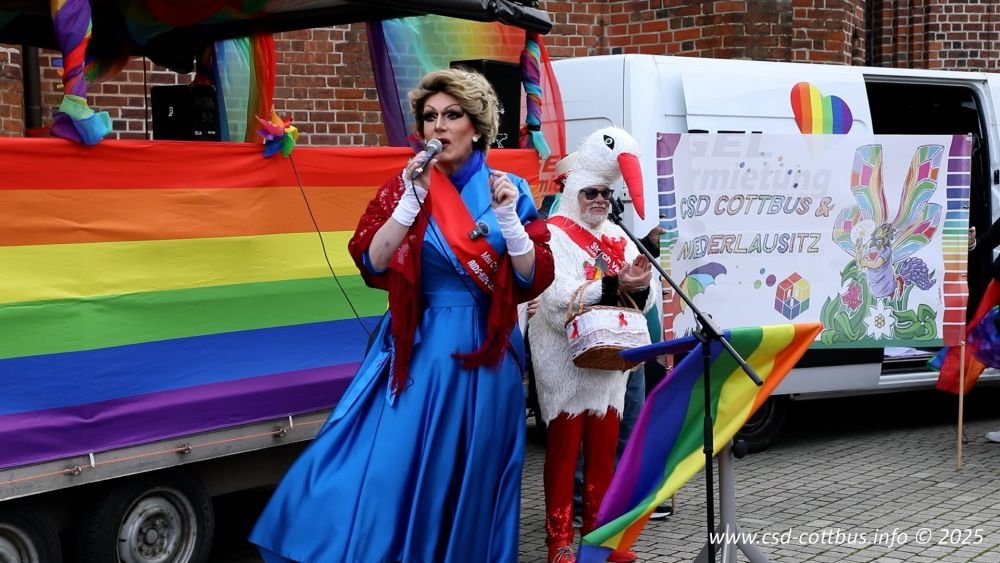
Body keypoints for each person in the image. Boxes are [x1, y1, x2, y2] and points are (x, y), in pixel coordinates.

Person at [249, 68, 555, 562]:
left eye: (452, 115)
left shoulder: (509, 189)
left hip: (488, 353)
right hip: (420, 347)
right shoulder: (406, 185)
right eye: (430, 117)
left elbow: (533, 277)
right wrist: (409, 203)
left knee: (474, 475)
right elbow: (372, 262)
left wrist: (509, 223)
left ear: (476, 126)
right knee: (382, 466)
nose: (439, 126)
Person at [528, 126, 653, 563]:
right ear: (575, 193)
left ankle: (599, 541)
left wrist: (639, 284)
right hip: (563, 363)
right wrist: (615, 284)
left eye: (606, 193)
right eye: (591, 192)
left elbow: (642, 301)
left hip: (608, 362)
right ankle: (559, 541)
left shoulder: (619, 236)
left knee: (603, 453)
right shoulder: (553, 234)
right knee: (564, 455)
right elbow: (554, 301)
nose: (599, 200)